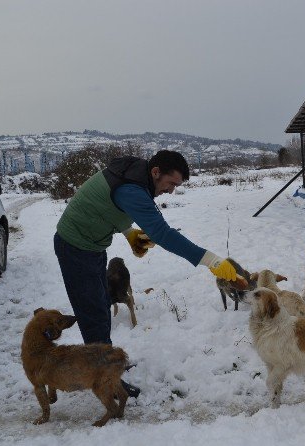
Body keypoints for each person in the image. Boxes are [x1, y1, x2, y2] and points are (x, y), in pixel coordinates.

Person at [53, 150, 238, 395]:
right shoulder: (133, 188)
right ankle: (107, 382)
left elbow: (105, 204)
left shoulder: (135, 176)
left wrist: (128, 231)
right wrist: (210, 260)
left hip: (92, 245)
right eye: (170, 183)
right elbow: (163, 234)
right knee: (94, 314)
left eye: (177, 185)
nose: (172, 190)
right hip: (75, 247)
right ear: (155, 172)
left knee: (101, 306)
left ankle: (107, 365)